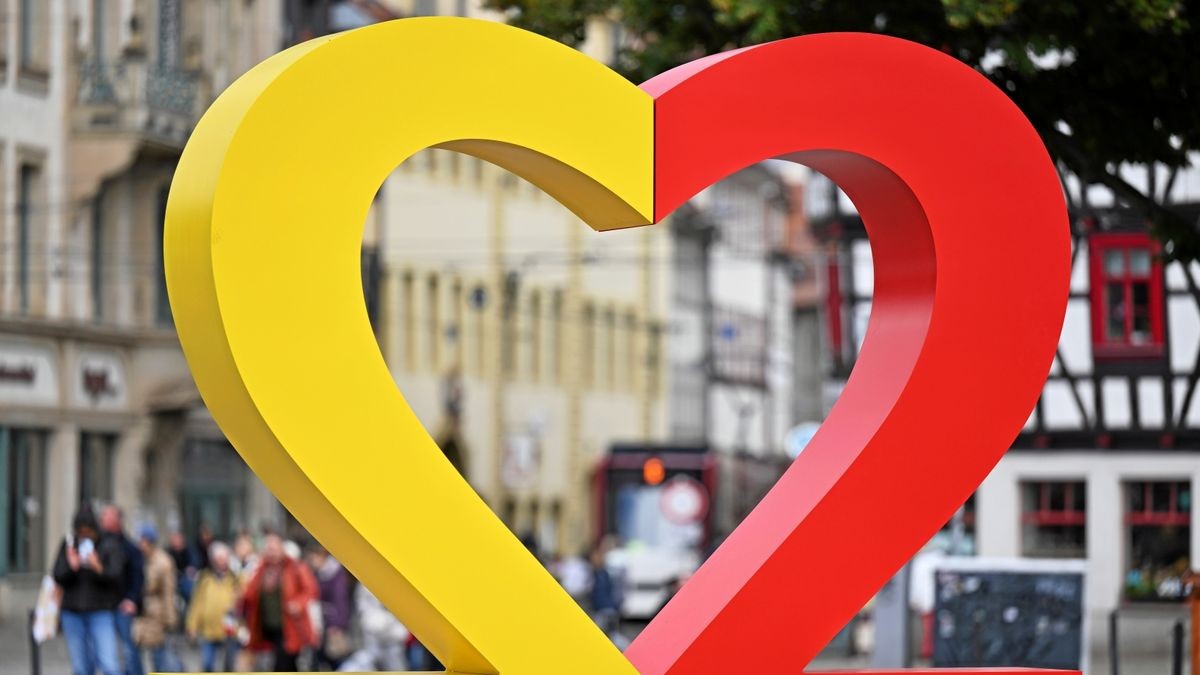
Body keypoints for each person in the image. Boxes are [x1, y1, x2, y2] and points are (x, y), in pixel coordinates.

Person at [53, 505, 125, 675]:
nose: (84, 536)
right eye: (81, 532)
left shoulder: (108, 544)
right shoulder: (69, 544)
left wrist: (98, 567)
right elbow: (57, 575)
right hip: (72, 611)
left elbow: (116, 576)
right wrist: (72, 567)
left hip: (100, 611)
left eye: (88, 531)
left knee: (109, 664)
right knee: (81, 667)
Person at [240, 533, 318, 671]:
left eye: (274, 548)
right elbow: (251, 592)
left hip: (289, 626)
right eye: (268, 548)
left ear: (281, 548)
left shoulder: (294, 567)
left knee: (283, 664)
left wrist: (298, 603)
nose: (271, 552)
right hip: (268, 626)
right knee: (286, 665)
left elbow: (311, 590)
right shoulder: (261, 568)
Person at [100, 505, 144, 675]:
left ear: (117, 520)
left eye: (107, 516)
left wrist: (131, 599)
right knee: (108, 650)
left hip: (122, 605)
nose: (103, 519)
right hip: (103, 605)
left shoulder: (129, 548)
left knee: (128, 649)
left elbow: (137, 576)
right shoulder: (100, 544)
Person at [187, 542, 241, 672]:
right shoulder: (205, 578)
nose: (222, 562)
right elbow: (197, 603)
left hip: (229, 629)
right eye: (219, 558)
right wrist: (192, 625)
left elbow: (244, 599)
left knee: (230, 666)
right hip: (208, 630)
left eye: (224, 558)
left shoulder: (235, 578)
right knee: (207, 665)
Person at [135, 525, 182, 672]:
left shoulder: (164, 562)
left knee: (161, 658)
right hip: (144, 613)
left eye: (142, 540)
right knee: (145, 655)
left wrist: (170, 619)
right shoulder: (142, 559)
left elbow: (169, 592)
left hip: (158, 615)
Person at [308, 544, 353, 670]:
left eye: (314, 557)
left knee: (336, 659)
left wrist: (337, 625)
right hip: (323, 623)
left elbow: (340, 600)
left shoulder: (334, 574)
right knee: (323, 658)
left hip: (333, 625)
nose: (312, 561)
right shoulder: (319, 573)